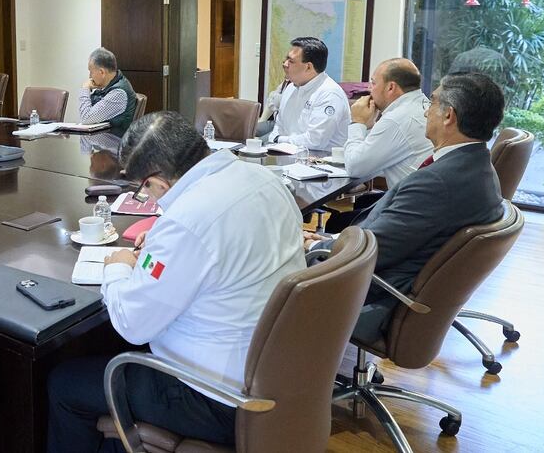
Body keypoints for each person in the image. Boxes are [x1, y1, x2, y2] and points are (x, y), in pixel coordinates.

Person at [47, 111, 307, 452]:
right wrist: (165, 247)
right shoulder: (262, 177)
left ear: (157, 181)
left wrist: (118, 265)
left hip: (215, 397)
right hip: (279, 375)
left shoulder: (188, 221)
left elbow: (132, 325)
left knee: (64, 384)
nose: (150, 198)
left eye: (146, 190)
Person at [305, 72, 505, 341]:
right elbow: (391, 236)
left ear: (449, 116)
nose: (425, 113)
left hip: (374, 297)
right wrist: (332, 239)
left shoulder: (438, 183)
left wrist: (315, 247)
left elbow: (374, 251)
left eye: (431, 103)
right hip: (391, 275)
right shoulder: (477, 166)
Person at [344, 58, 432, 187]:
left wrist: (357, 122)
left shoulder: (396, 119)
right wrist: (369, 125)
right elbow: (373, 159)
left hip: (406, 203)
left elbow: (355, 168)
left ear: (391, 87)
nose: (369, 89)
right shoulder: (421, 105)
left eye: (373, 83)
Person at [268, 37, 350, 150]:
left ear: (308, 67)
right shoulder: (291, 88)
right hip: (288, 156)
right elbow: (279, 127)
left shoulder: (329, 94)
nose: (285, 64)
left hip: (320, 162)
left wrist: (280, 140)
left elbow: (315, 141)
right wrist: (276, 140)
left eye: (291, 61)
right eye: (286, 59)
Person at [78, 47, 137, 135]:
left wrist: (85, 89)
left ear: (102, 72)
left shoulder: (118, 93)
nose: (90, 76)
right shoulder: (110, 86)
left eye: (91, 71)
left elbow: (86, 118)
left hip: (115, 145)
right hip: (103, 142)